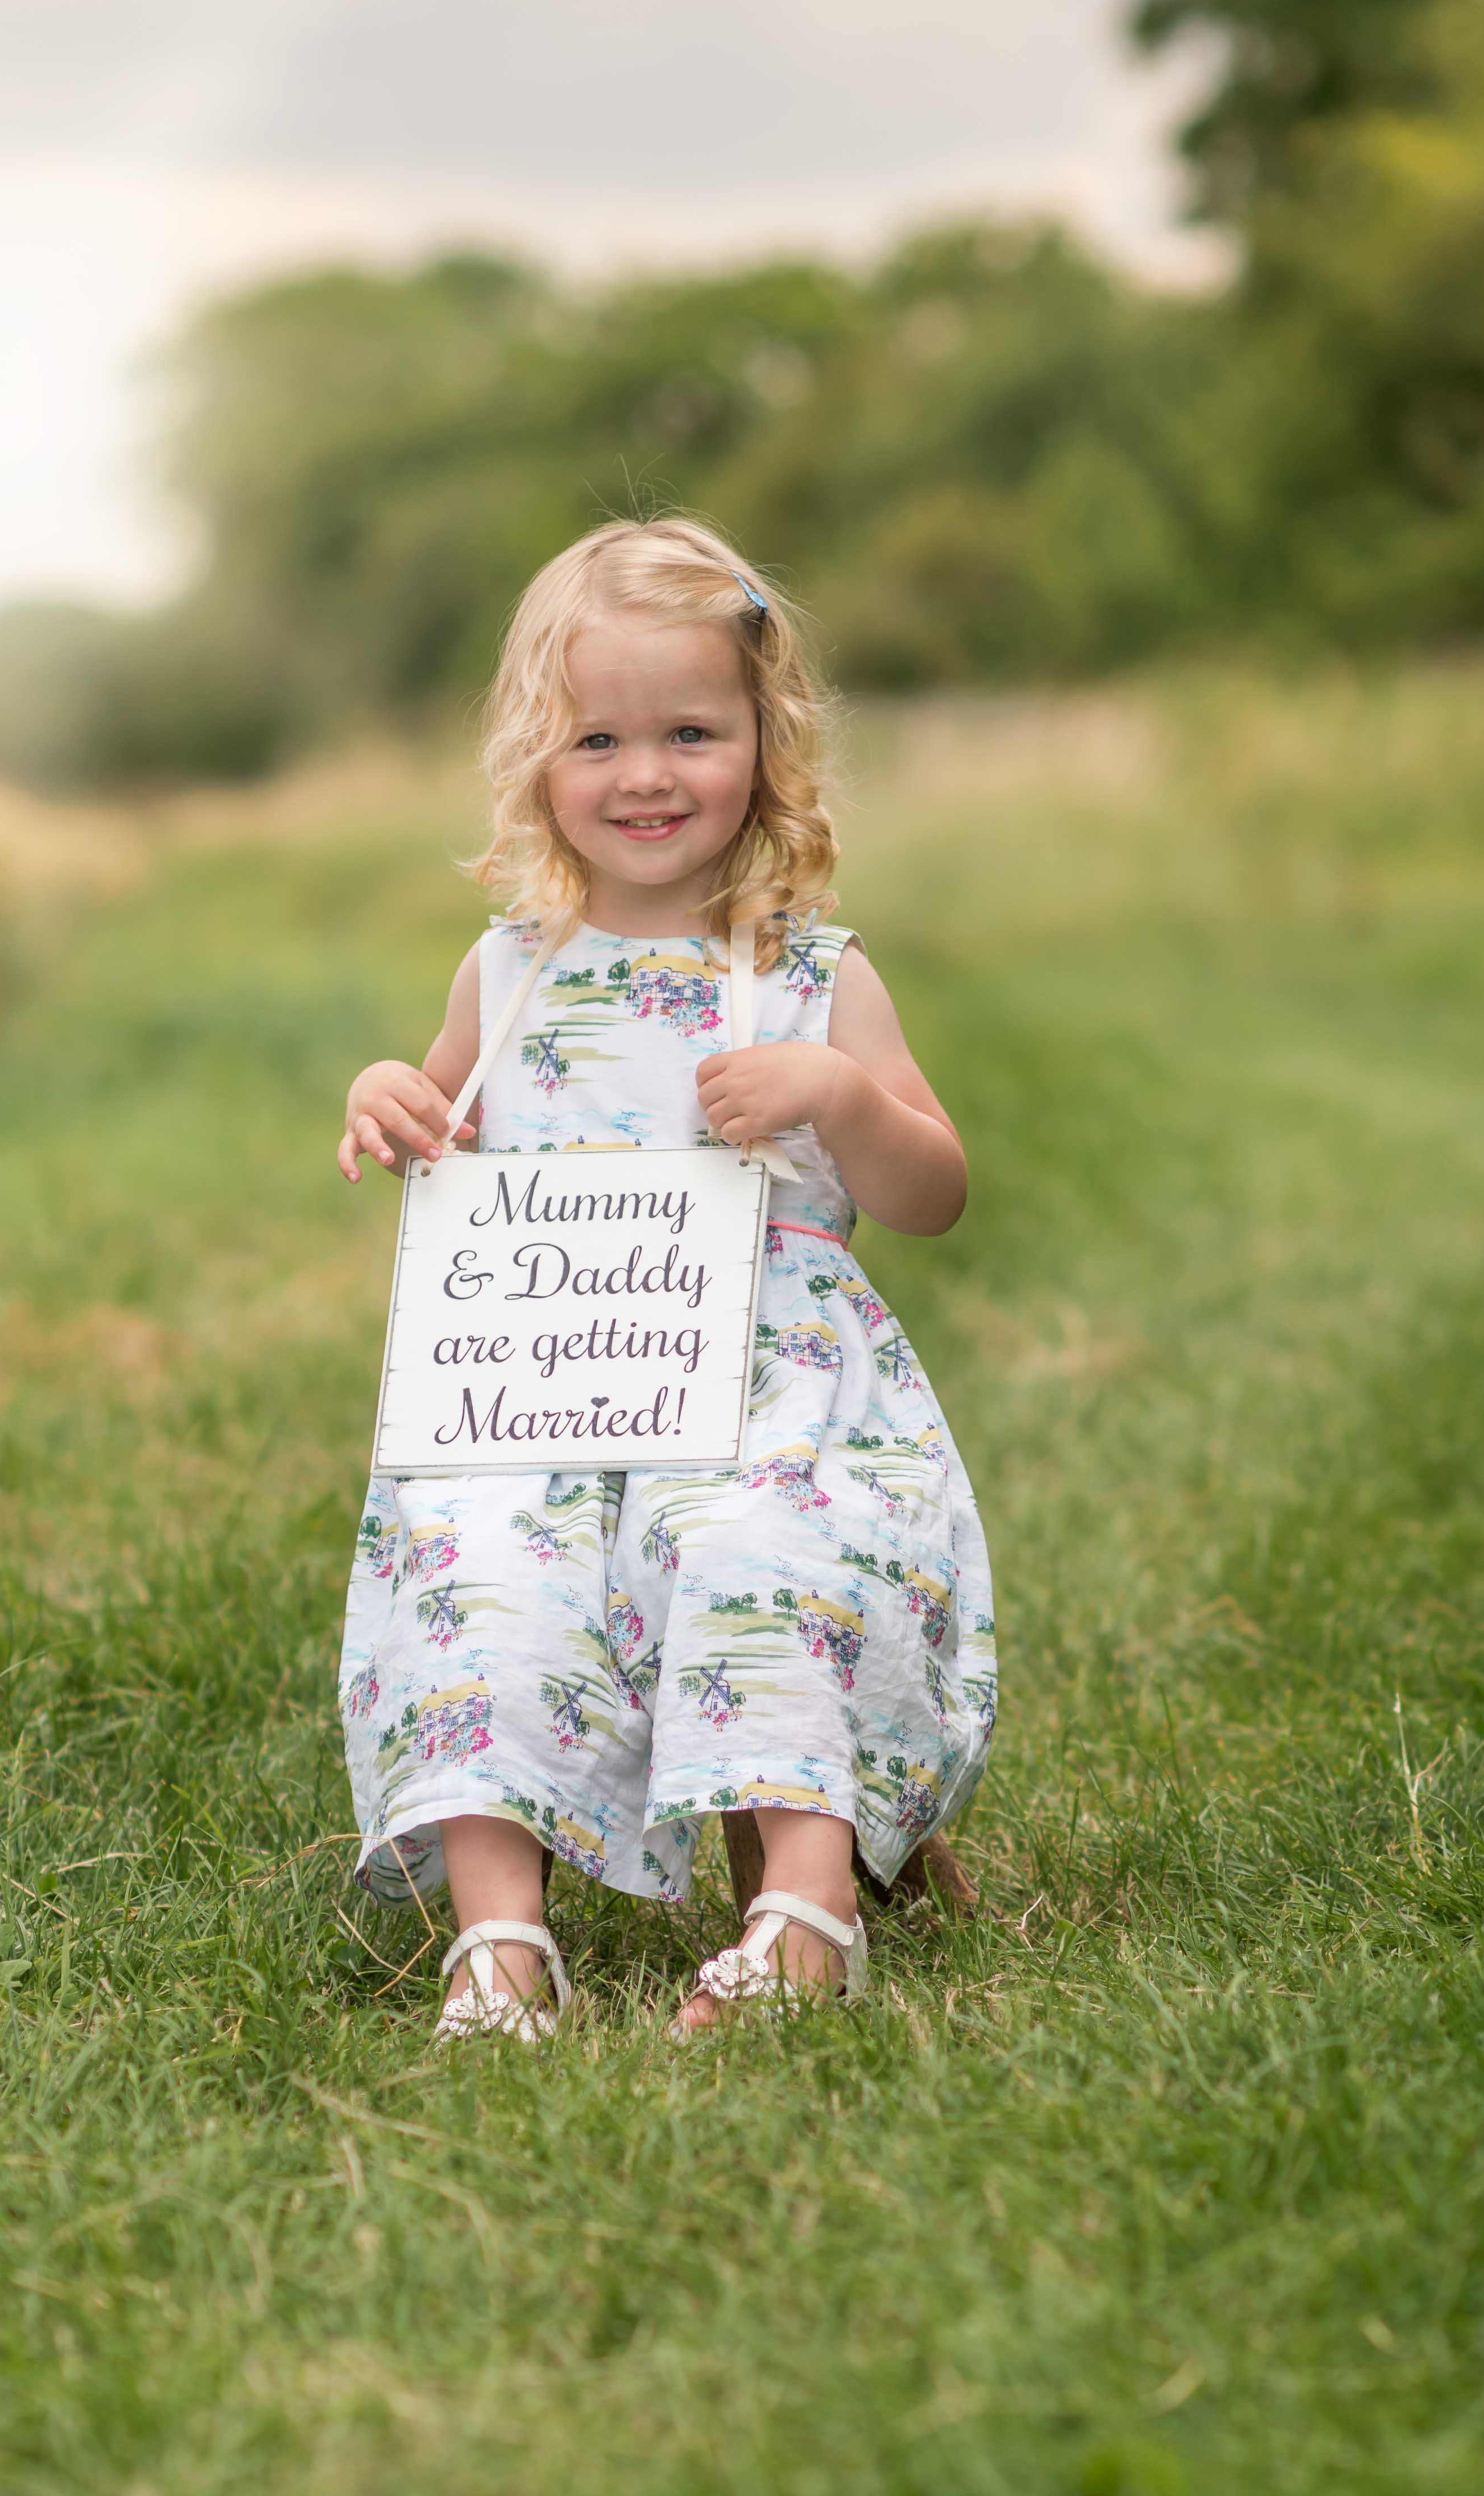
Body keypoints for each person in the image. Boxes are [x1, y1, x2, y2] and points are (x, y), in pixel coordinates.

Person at [333, 516, 995, 2039]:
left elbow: (937, 1192)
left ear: (765, 742)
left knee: (762, 1541)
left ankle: (805, 1907)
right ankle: (502, 1943)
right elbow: (450, 1122)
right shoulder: (507, 972)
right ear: (535, 759)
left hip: (769, 1381)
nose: (647, 774)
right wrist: (392, 1091)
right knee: (482, 1562)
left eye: (692, 732)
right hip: (555, 1392)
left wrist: (836, 1093)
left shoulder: (815, 974)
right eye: (600, 738)